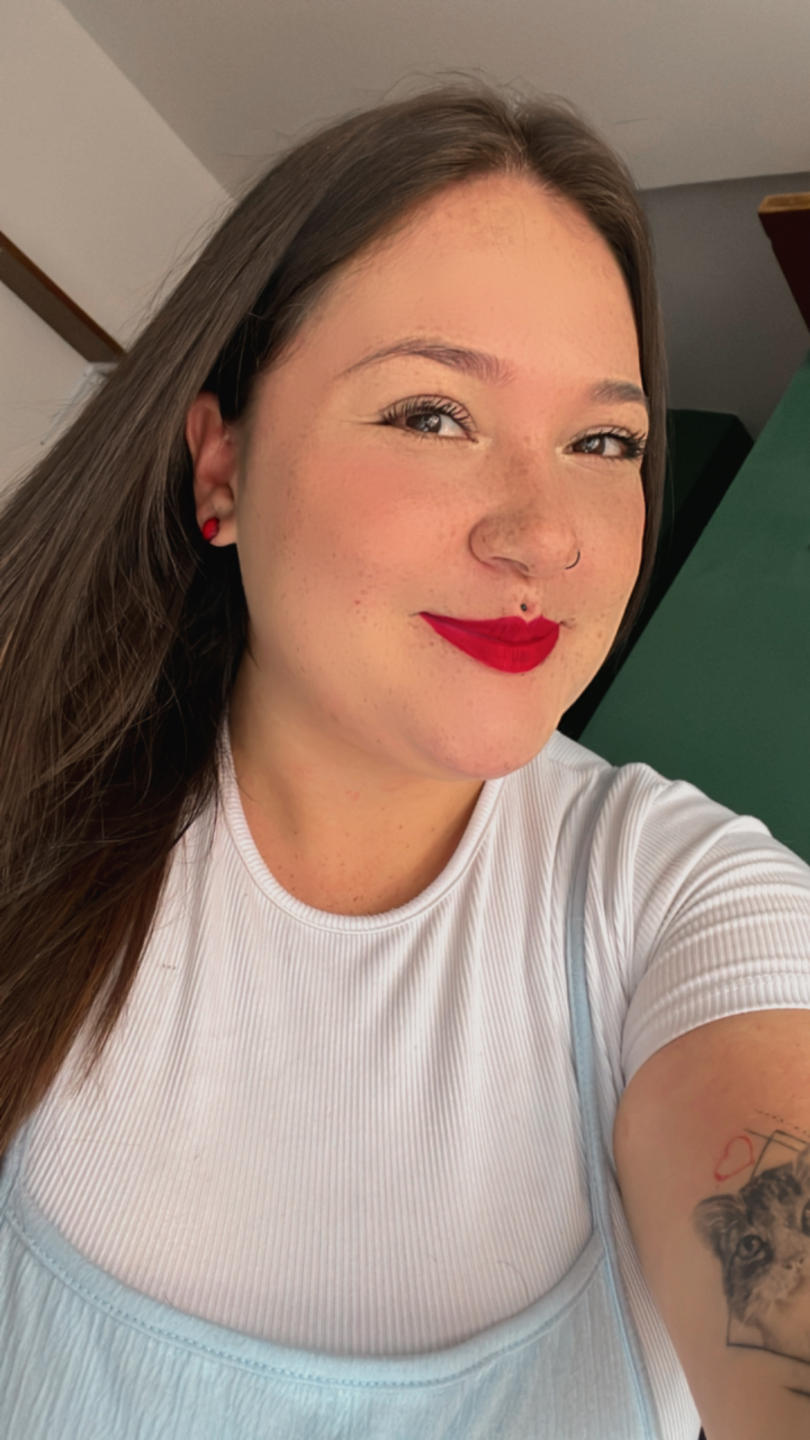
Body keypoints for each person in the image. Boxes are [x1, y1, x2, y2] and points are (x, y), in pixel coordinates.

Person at [1, 78, 809, 1440]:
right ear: (220, 468)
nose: (544, 534)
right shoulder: (29, 824)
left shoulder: (680, 901)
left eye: (603, 441)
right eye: (432, 414)